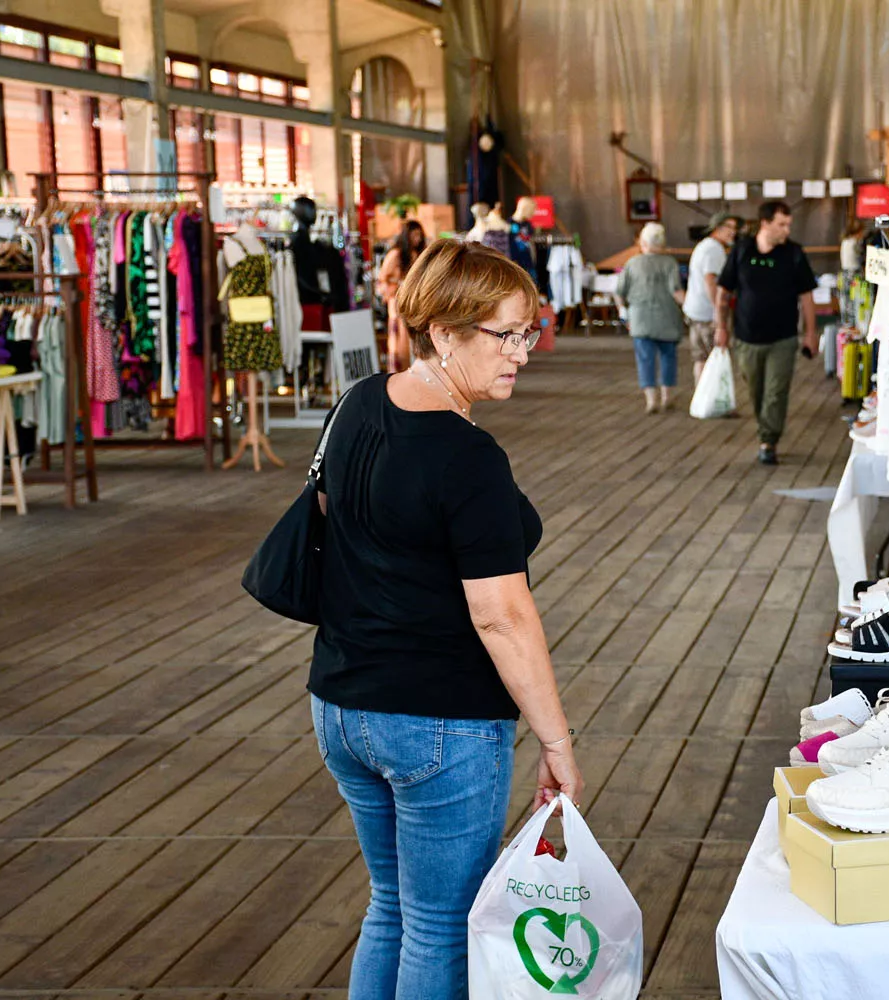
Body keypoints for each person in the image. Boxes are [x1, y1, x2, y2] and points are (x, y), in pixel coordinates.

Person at [308, 238, 583, 998]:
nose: (522, 352)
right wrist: (556, 742)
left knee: (392, 907)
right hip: (437, 722)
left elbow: (334, 516)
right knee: (441, 924)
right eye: (504, 335)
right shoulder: (468, 458)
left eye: (528, 330)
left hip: (340, 704)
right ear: (442, 333)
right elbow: (502, 618)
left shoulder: (358, 405)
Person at [715, 200, 818, 464]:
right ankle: (765, 430)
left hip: (783, 338)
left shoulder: (793, 253)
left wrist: (810, 332)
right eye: (781, 225)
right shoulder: (741, 251)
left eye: (788, 225)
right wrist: (721, 327)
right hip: (747, 338)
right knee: (756, 392)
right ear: (765, 223)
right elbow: (723, 292)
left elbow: (806, 296)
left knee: (776, 392)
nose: (786, 230)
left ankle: (768, 441)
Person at [614, 222, 686, 414]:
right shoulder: (670, 263)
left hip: (640, 318)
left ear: (643, 242)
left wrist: (623, 310)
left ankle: (651, 399)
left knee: (645, 358)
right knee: (668, 357)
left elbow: (619, 292)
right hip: (667, 318)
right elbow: (676, 291)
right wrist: (689, 306)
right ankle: (667, 396)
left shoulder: (632, 263)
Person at [683, 211, 740, 385]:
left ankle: (701, 403)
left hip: (695, 311)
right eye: (729, 227)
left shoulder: (703, 246)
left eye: (735, 228)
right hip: (708, 314)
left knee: (700, 358)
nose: (733, 232)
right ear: (717, 228)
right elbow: (711, 281)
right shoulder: (714, 249)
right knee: (717, 357)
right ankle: (716, 402)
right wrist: (719, 313)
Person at [376, 220, 426, 371]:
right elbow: (381, 281)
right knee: (400, 344)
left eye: (419, 235)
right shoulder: (395, 254)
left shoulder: (418, 254)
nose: (417, 238)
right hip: (398, 306)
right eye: (414, 235)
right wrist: (398, 285)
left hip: (415, 305)